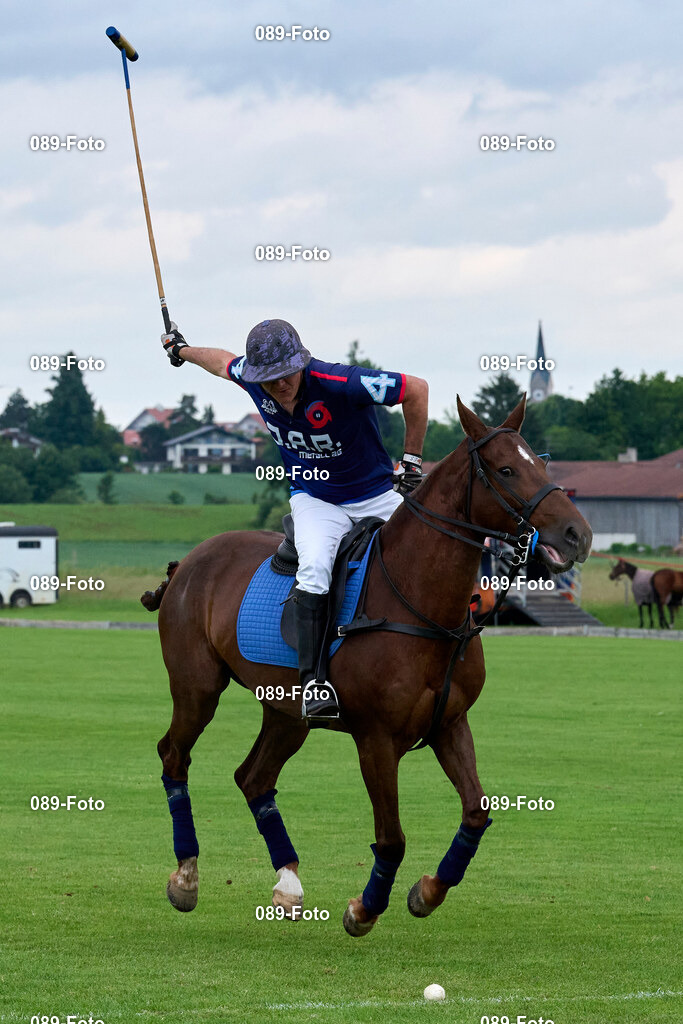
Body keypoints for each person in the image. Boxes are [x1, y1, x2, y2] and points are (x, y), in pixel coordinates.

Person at [161, 318, 429, 719]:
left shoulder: (342, 382)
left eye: (285, 376)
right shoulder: (251, 379)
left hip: (376, 495)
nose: (278, 386)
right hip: (315, 500)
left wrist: (410, 459)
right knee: (315, 568)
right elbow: (220, 362)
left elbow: (416, 389)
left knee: (427, 553)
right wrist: (181, 350)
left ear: (300, 364)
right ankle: (314, 683)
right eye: (268, 380)